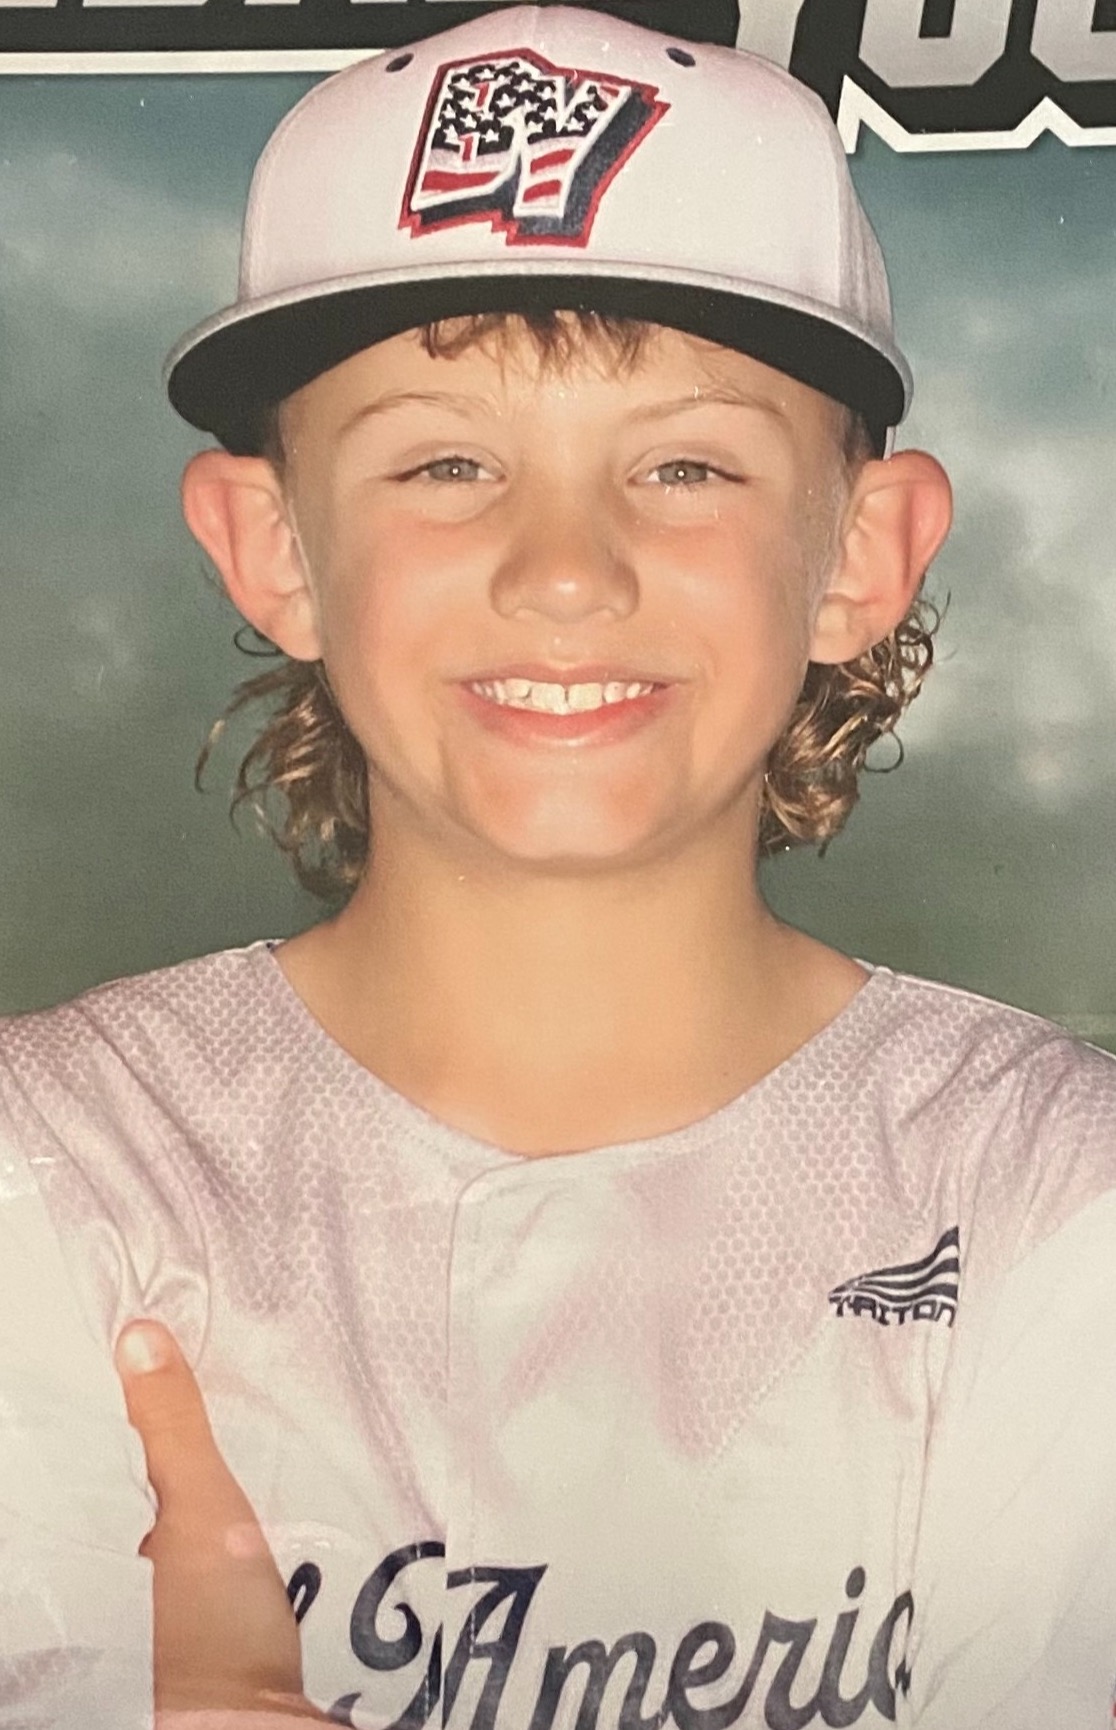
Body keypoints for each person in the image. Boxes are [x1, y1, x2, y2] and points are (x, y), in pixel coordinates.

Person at [3, 6, 1115, 1728]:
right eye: (447, 462)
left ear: (861, 550)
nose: (567, 572)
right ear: (270, 544)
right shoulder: (55, 1164)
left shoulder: (1054, 1189)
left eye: (685, 463)